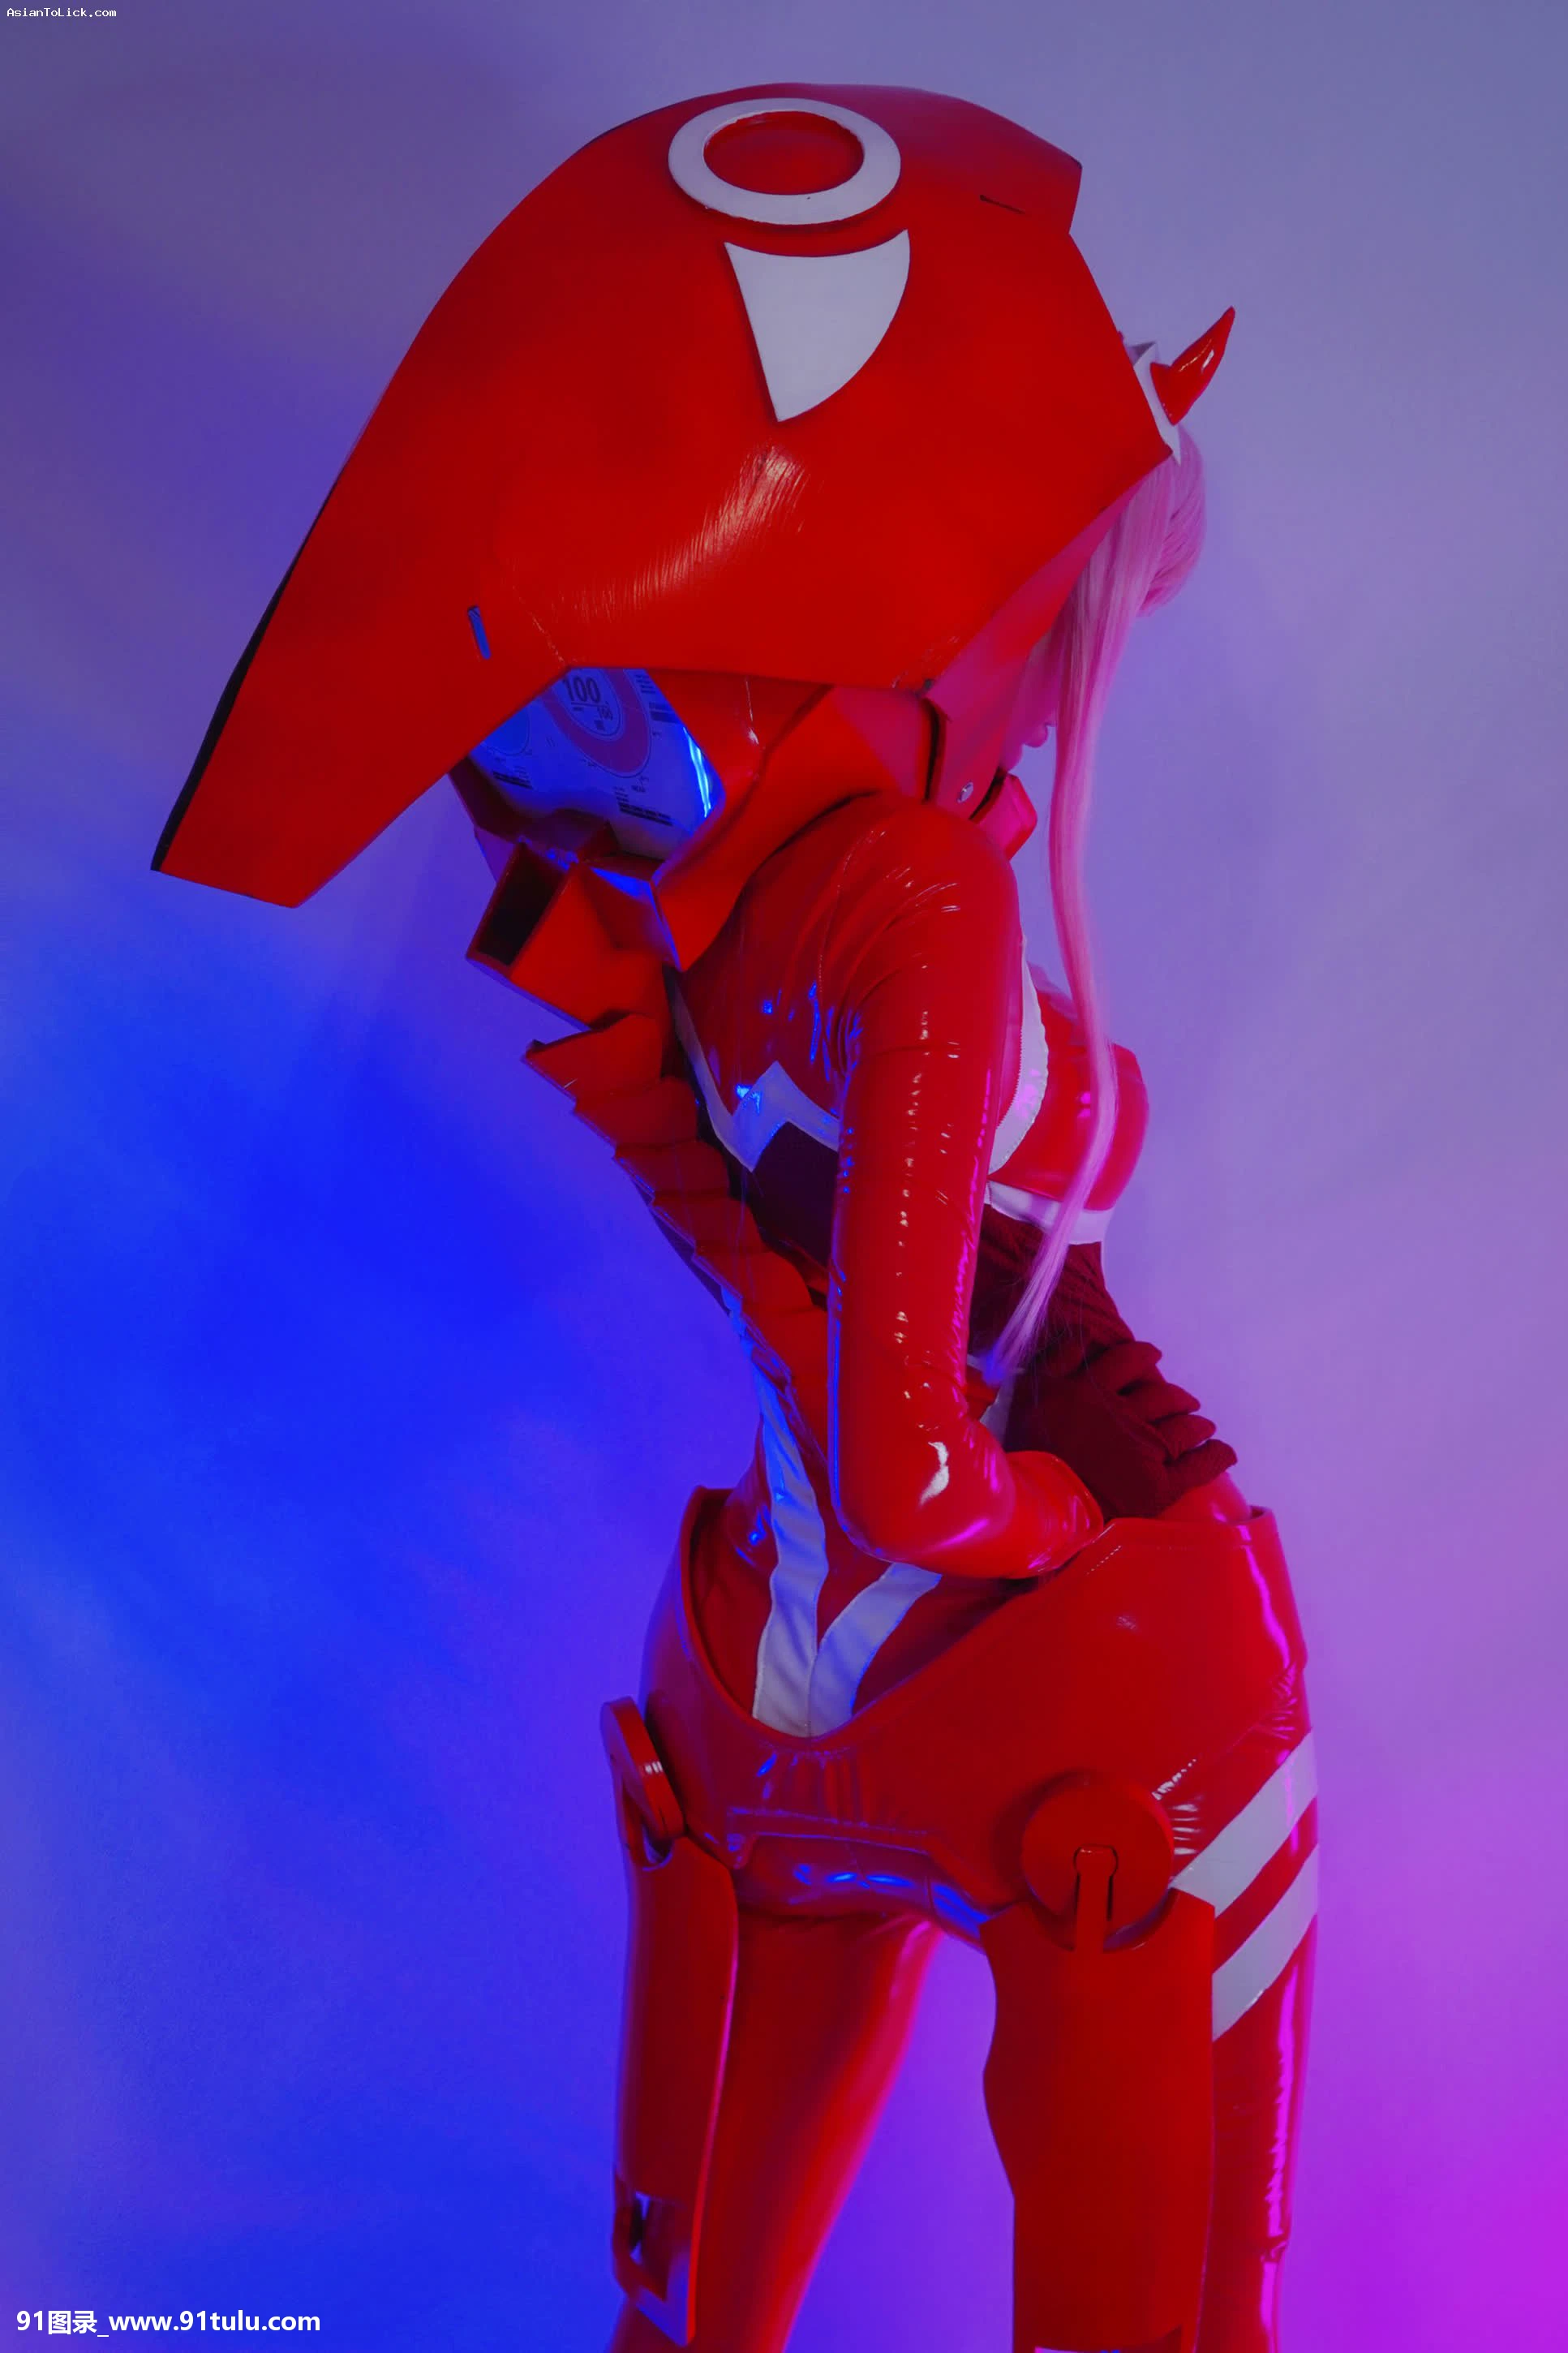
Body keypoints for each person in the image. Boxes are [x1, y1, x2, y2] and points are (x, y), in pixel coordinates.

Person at [154, 84, 1316, 2353]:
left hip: (765, 1675)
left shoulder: (661, 932)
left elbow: (764, 1270)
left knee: (689, 2312)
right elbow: (912, 1466)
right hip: (1078, 1694)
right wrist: (1047, 1519)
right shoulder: (923, 901)